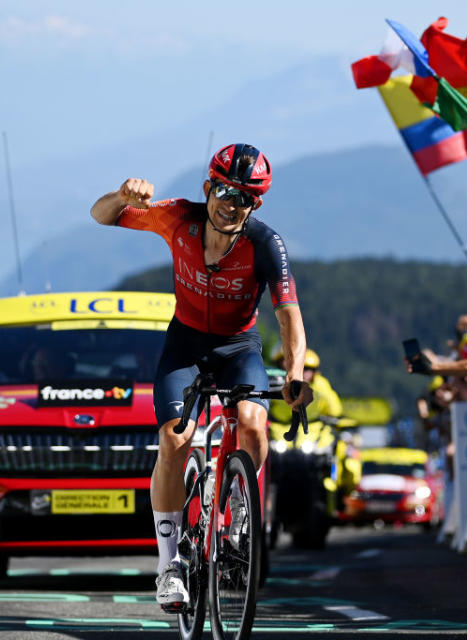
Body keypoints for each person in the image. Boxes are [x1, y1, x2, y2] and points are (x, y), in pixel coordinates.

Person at [90, 143, 312, 612]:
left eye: (245, 199)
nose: (232, 205)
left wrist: (294, 374)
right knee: (175, 441)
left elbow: (290, 317)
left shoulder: (265, 244)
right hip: (185, 345)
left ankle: (239, 517)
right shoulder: (178, 218)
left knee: (252, 422)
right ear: (209, 187)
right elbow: (101, 216)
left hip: (239, 347)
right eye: (226, 192)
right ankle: (169, 564)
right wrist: (122, 193)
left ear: (256, 205)